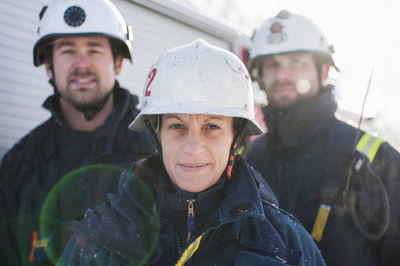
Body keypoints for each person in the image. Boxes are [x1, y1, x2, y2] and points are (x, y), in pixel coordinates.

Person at [57, 39, 326, 265]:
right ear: (157, 134)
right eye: (177, 126)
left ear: (236, 138)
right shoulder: (98, 237)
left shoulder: (286, 246)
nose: (194, 148)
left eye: (212, 127)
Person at [0, 0, 156, 265]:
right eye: (67, 51)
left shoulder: (157, 148)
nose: (82, 64)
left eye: (94, 50)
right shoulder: (19, 165)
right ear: (49, 66)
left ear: (118, 63)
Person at [245, 10, 400, 266]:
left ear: (324, 70)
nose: (282, 75)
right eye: (272, 64)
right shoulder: (249, 160)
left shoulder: (376, 160)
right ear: (260, 75)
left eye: (296, 62)